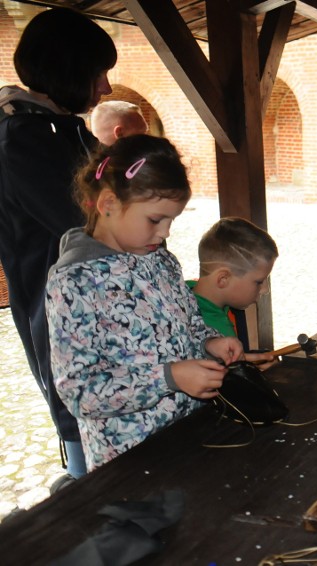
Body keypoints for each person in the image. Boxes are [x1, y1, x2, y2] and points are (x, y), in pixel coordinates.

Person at [45, 135, 244, 472]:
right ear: (108, 204)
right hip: (128, 461)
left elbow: (189, 323)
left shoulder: (163, 262)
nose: (164, 232)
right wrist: (168, 378)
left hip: (189, 439)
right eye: (155, 220)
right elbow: (80, 392)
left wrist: (209, 342)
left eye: (172, 221)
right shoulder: (74, 282)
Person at [0, 7, 116, 484]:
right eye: (99, 74)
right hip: (65, 318)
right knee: (86, 428)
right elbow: (95, 224)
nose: (105, 88)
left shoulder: (62, 129)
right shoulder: (24, 141)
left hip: (102, 305)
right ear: (68, 70)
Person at [189, 216, 279, 369]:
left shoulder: (194, 295)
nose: (265, 290)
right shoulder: (204, 323)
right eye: (258, 282)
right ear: (223, 279)